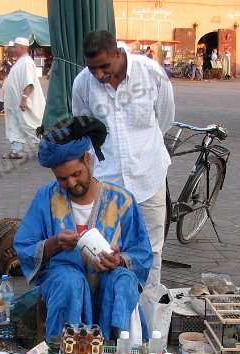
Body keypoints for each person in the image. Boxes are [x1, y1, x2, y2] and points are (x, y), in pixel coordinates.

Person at [13, 117, 153, 340]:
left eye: (76, 174)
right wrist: (56, 243)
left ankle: (115, 352)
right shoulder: (45, 199)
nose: (70, 183)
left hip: (108, 278)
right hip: (63, 280)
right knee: (70, 282)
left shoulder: (122, 200)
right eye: (62, 178)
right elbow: (24, 247)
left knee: (123, 281)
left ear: (87, 159)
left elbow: (143, 253)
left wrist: (119, 260)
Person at [72, 29, 174, 287]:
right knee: (104, 251)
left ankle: (148, 320)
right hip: (107, 183)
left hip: (149, 177)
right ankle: (110, 318)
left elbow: (164, 118)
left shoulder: (150, 73)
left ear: (118, 53)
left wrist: (142, 151)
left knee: (151, 251)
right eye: (92, 68)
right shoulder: (82, 84)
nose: (99, 74)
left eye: (104, 66)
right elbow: (83, 130)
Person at [3, 37, 46, 160]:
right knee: (14, 125)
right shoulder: (20, 61)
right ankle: (16, 150)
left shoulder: (27, 62)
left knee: (30, 126)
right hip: (14, 104)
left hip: (23, 103)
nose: (13, 49)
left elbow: (29, 82)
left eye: (15, 46)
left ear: (21, 47)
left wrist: (24, 98)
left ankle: (47, 148)